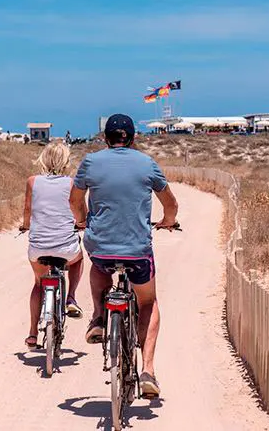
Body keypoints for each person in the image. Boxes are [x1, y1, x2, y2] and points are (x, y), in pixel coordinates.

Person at [69, 113, 179, 398]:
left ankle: (97, 317)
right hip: (137, 252)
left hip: (101, 247)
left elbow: (75, 200)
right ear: (133, 138)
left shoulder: (91, 162)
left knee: (99, 268)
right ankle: (148, 371)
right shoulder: (147, 164)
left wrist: (82, 220)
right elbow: (171, 204)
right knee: (148, 302)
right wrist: (168, 221)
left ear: (105, 138)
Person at [21, 143, 84, 350]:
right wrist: (81, 223)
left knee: (39, 283)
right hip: (65, 246)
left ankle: (32, 333)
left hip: (39, 246)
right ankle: (71, 297)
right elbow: (78, 211)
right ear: (66, 161)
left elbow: (28, 209)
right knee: (78, 259)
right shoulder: (72, 183)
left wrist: (25, 226)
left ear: (43, 159)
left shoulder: (33, 181)